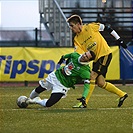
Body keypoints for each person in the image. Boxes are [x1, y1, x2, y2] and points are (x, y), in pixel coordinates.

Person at [67, 14, 128, 108]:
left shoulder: (90, 27)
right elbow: (78, 55)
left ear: (78, 24)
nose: (71, 28)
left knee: (92, 76)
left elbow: (107, 28)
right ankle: (122, 95)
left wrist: (119, 39)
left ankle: (84, 102)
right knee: (100, 83)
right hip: (97, 59)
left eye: (72, 26)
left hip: (105, 54)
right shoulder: (76, 39)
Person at [26, 51, 95, 108]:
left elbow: (87, 86)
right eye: (85, 53)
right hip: (55, 76)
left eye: (86, 57)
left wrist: (84, 97)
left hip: (63, 85)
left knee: (49, 104)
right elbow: (70, 55)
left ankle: (36, 100)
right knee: (39, 89)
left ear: (88, 60)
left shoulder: (85, 71)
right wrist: (63, 57)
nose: (84, 56)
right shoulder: (76, 55)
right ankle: (28, 100)